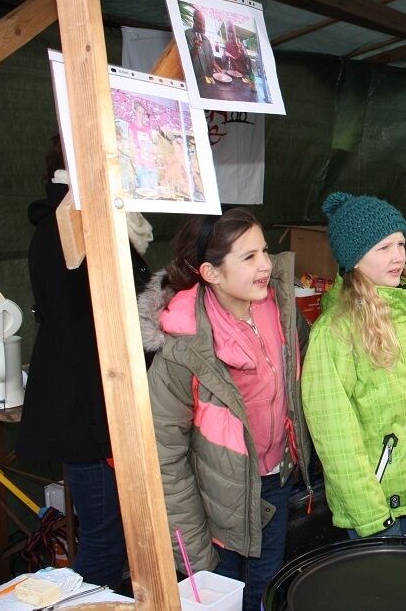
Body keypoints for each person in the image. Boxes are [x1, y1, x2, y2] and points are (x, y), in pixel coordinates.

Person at [139, 209, 312, 611]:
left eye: (265, 251)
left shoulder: (282, 310)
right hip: (213, 501)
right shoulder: (183, 343)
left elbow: (306, 376)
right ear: (211, 273)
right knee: (226, 596)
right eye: (248, 257)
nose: (266, 265)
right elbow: (164, 452)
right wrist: (194, 551)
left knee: (266, 590)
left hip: (273, 481)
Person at [17, 138, 152, 590]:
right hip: (90, 419)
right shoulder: (66, 233)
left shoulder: (98, 222)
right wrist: (107, 435)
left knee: (112, 536)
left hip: (105, 413)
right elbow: (81, 346)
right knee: (104, 539)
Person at [302, 193, 406, 538]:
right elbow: (335, 436)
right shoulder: (334, 332)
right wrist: (371, 517)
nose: (398, 256)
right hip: (378, 512)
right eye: (383, 247)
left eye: (400, 243)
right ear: (355, 259)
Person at [185, 7, 218, 81]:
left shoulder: (207, 40)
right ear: (194, 21)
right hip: (196, 79)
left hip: (209, 78)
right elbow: (187, 59)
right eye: (199, 23)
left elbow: (211, 57)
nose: (202, 27)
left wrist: (214, 64)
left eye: (203, 24)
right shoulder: (188, 34)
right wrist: (195, 48)